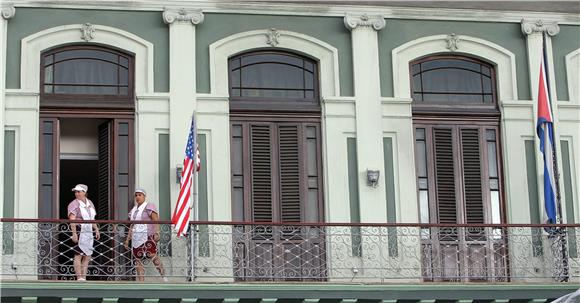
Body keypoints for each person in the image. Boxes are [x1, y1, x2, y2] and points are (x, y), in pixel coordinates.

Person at [124, 188, 167, 282]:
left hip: (148, 235)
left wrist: (157, 232)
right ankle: (141, 281)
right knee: (137, 258)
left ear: (144, 196)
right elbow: (132, 225)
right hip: (136, 237)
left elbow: (155, 219)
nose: (137, 197)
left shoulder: (149, 206)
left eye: (140, 195)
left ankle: (164, 276)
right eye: (136, 195)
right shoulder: (134, 210)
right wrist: (127, 240)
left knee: (152, 255)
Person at [67, 184, 100, 281]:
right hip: (79, 230)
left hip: (88, 231)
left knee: (87, 255)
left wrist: (96, 229)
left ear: (84, 192)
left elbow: (92, 218)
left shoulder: (90, 203)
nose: (76, 194)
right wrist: (73, 233)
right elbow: (72, 220)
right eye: (75, 192)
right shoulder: (74, 204)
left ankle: (84, 277)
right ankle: (79, 277)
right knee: (78, 254)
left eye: (79, 192)